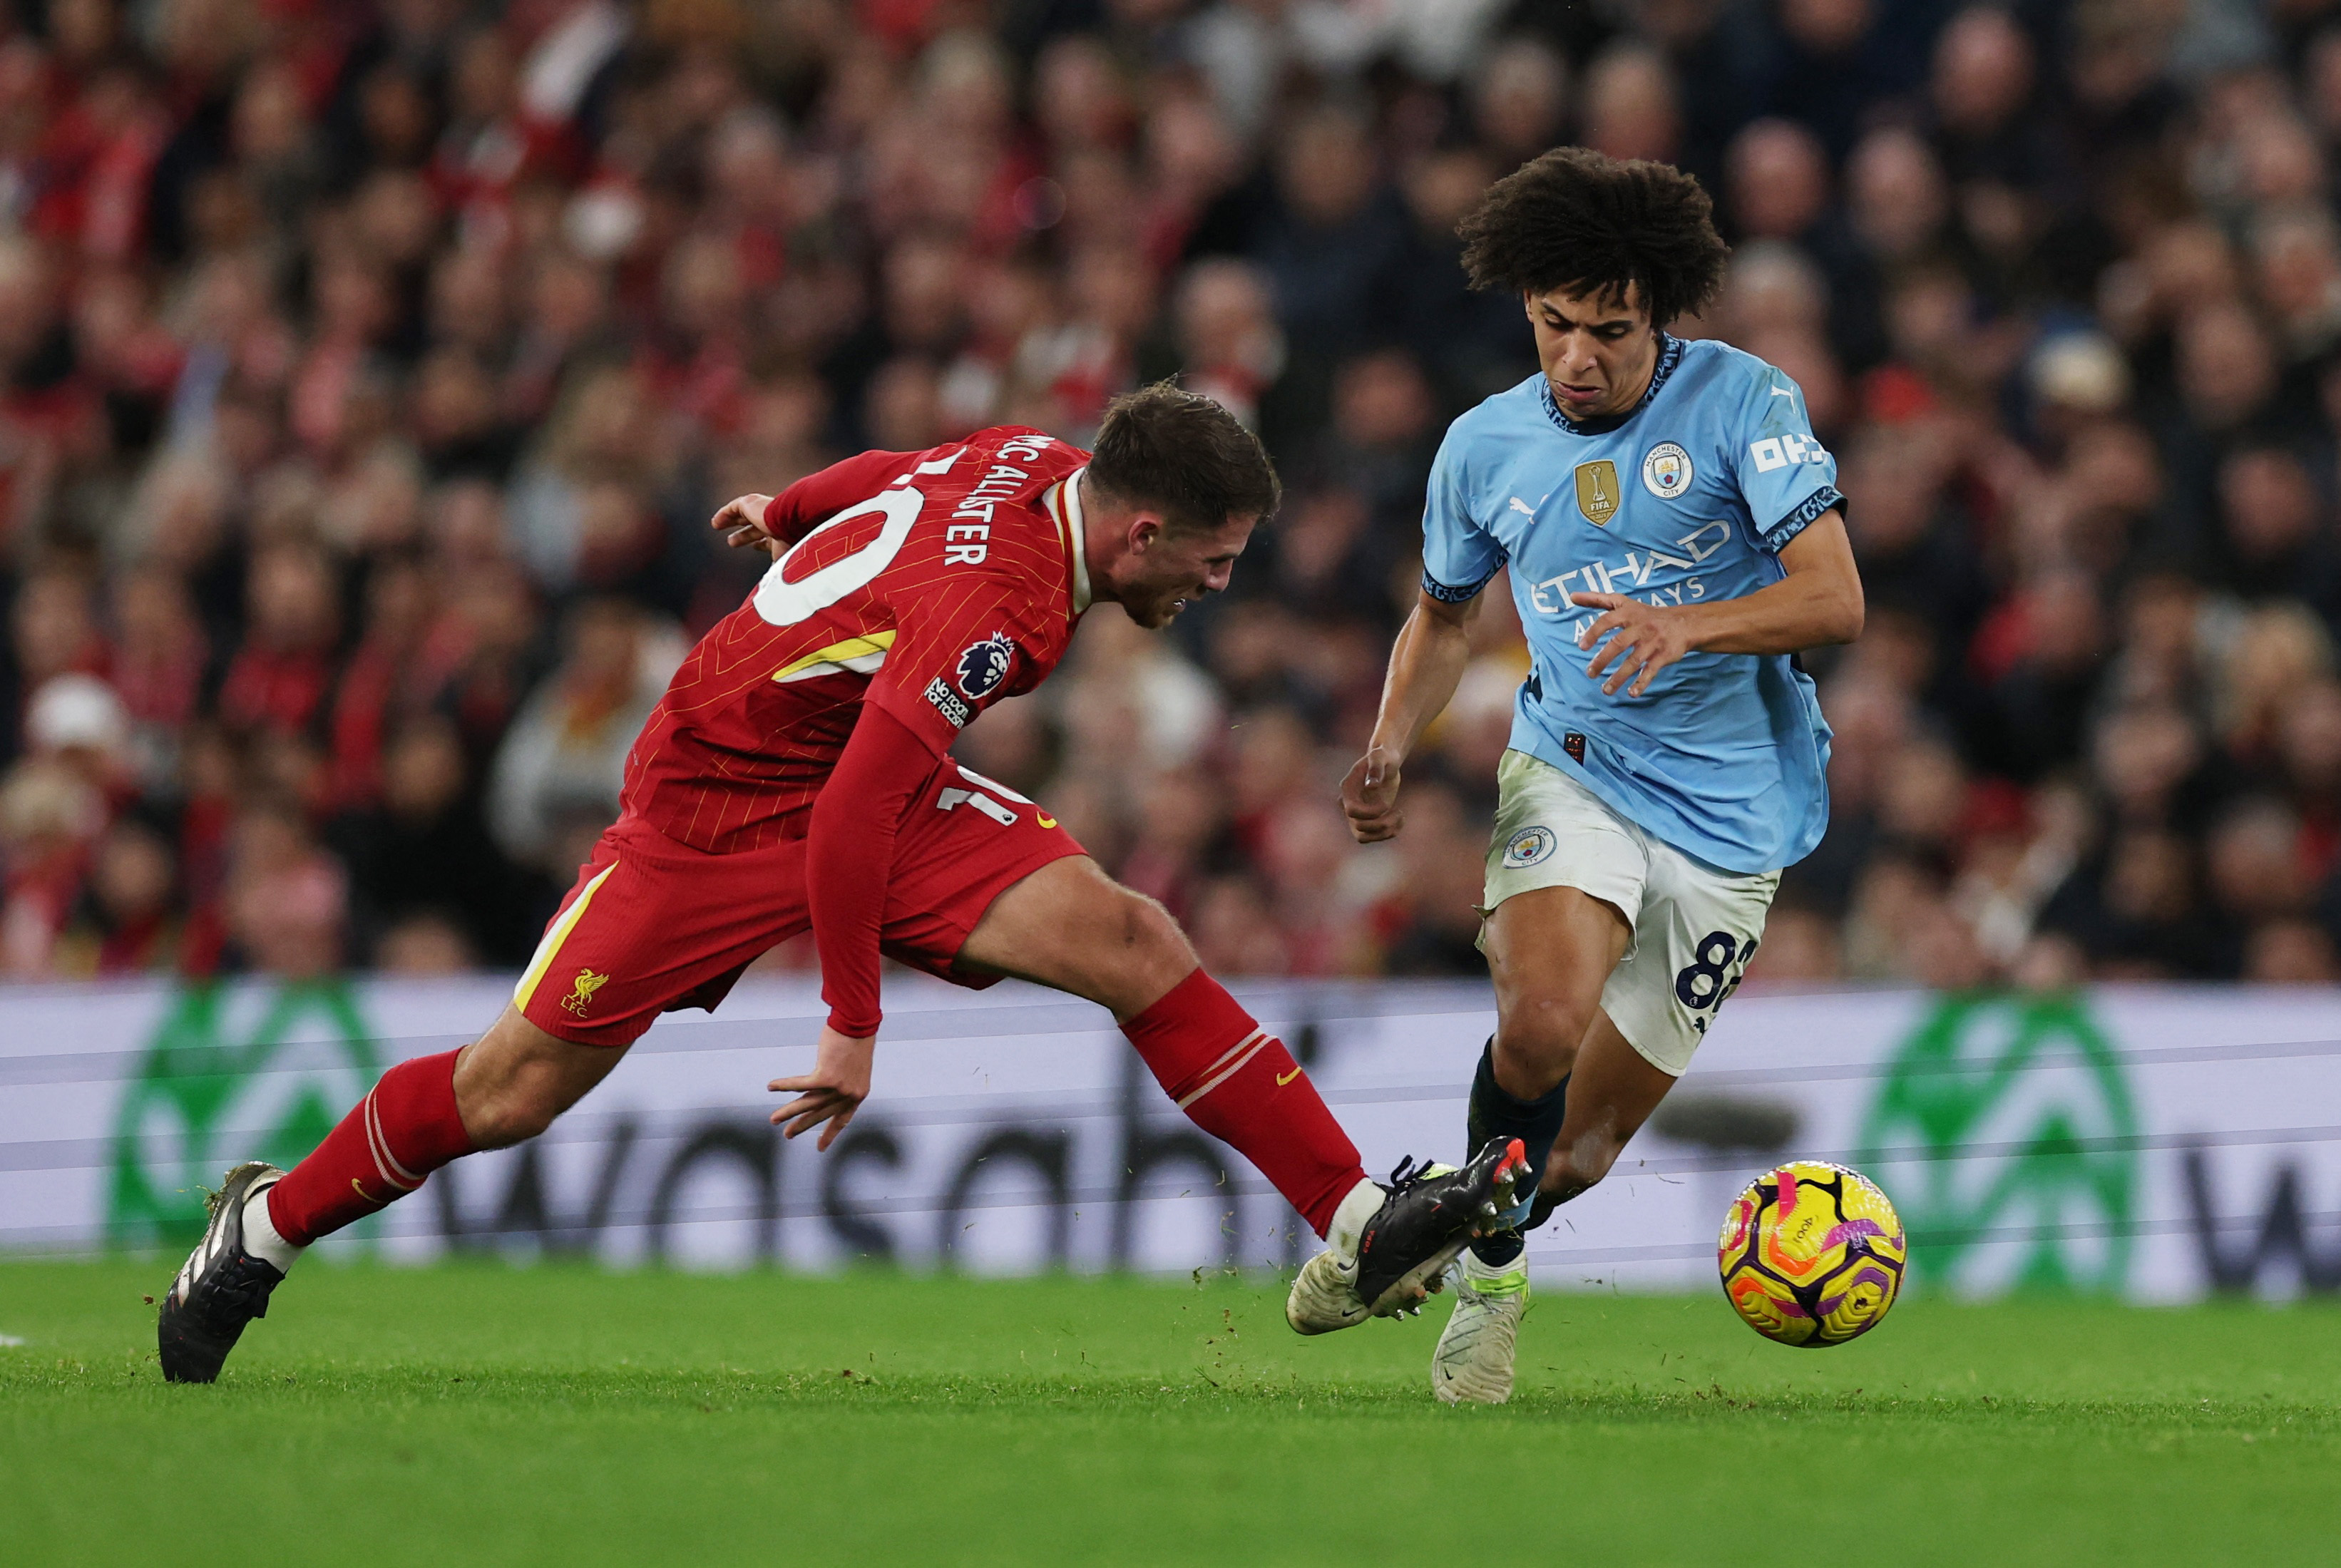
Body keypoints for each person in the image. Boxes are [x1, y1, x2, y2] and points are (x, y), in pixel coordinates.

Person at [160, 386, 1526, 1383]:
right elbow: (856, 808)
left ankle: (1355, 1222)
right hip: (714, 805)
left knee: (1131, 939)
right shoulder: (1004, 606)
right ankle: (265, 1225)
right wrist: (852, 1027)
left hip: (854, 772)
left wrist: (792, 506)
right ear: (1142, 532)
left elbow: (896, 471)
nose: (1223, 584)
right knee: (509, 1091)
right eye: (1214, 559)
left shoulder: (1038, 458)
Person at [1341, 149, 1865, 1404]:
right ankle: (1491, 1292)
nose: (1578, 357)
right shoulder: (1483, 446)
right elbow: (1446, 617)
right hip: (1576, 766)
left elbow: (1835, 599)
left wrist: (1689, 625)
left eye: (1611, 332)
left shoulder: (1747, 401)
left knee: (1573, 1155)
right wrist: (1390, 739)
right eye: (1554, 324)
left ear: (1659, 318)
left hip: (1736, 822)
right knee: (1539, 1024)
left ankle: (1434, 1232)